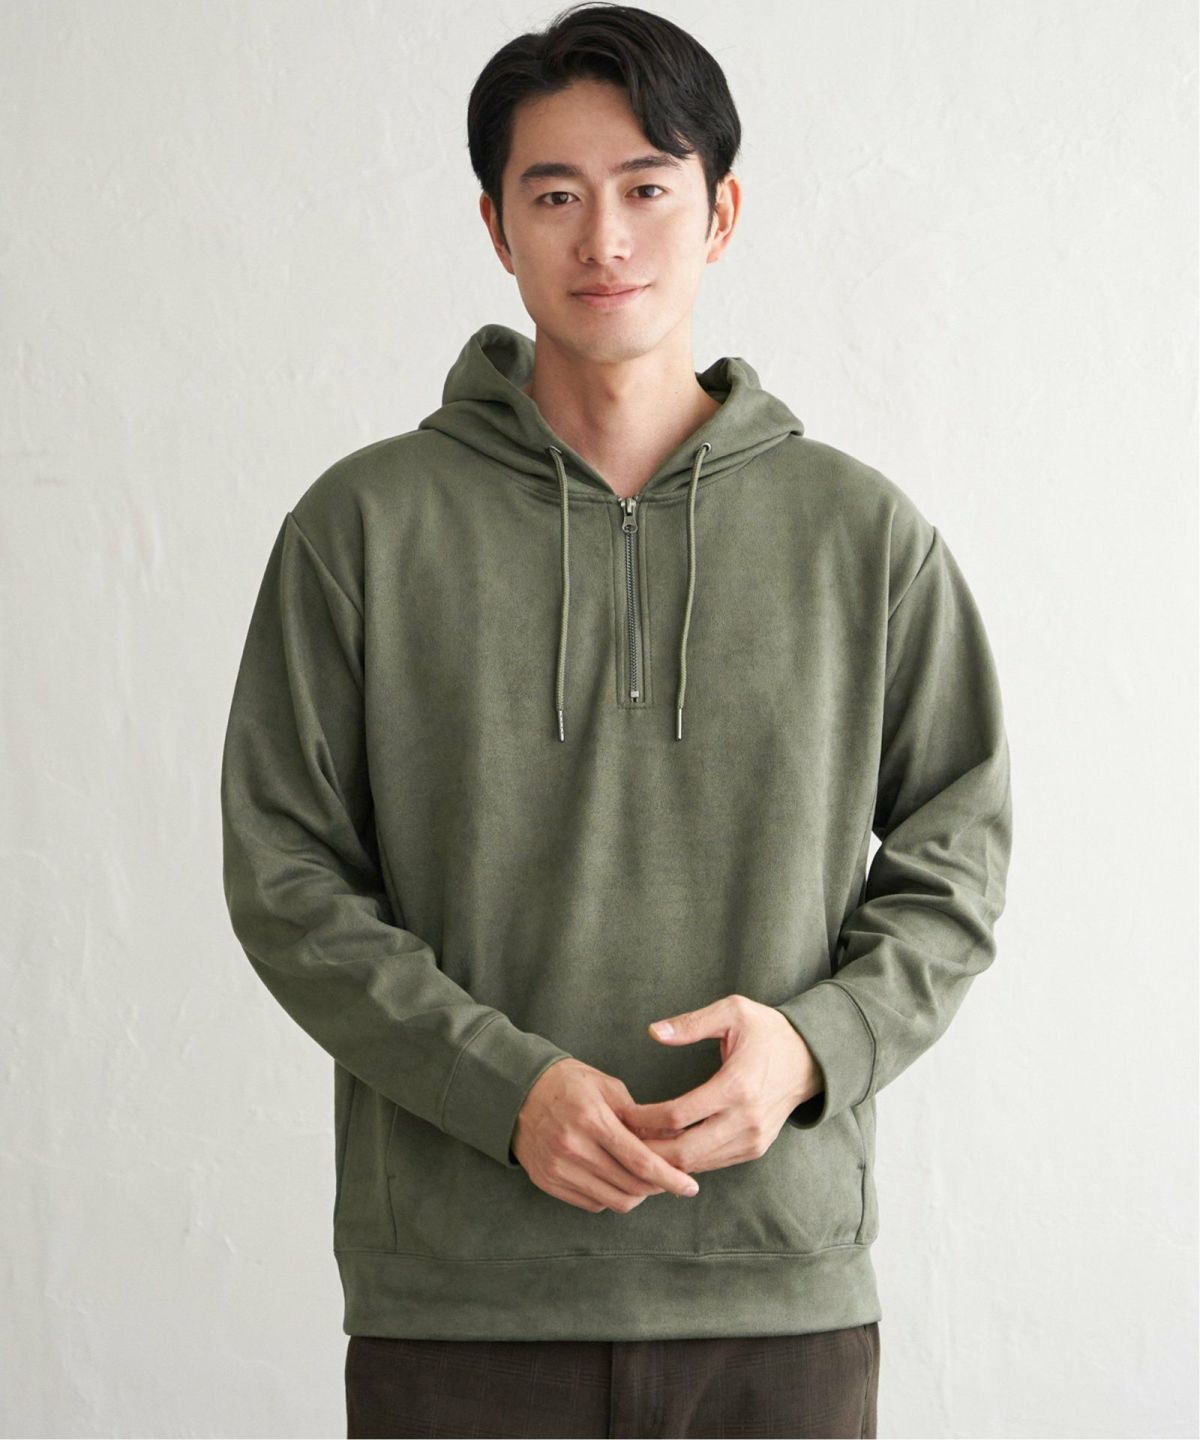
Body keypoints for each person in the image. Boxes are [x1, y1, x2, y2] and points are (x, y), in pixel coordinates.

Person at [219, 3, 1013, 1436]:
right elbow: (285, 876)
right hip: (461, 1299)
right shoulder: (362, 528)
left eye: (648, 186)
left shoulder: (863, 536)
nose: (605, 239)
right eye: (555, 196)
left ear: (721, 213)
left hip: (775, 1289)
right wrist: (500, 1089)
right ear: (495, 226)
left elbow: (960, 855)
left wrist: (816, 1046)